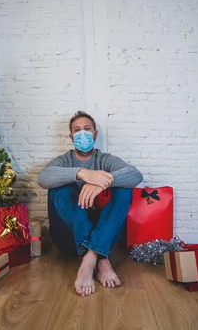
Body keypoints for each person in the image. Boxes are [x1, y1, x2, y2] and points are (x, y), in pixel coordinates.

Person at [38, 111, 143, 297]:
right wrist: (82, 173)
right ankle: (101, 257)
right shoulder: (64, 161)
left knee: (124, 188)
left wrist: (102, 182)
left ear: (95, 134)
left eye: (87, 129)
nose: (83, 134)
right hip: (68, 239)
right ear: (71, 137)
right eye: (77, 130)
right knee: (58, 186)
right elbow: (43, 178)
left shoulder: (105, 160)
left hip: (104, 235)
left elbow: (135, 175)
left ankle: (90, 259)